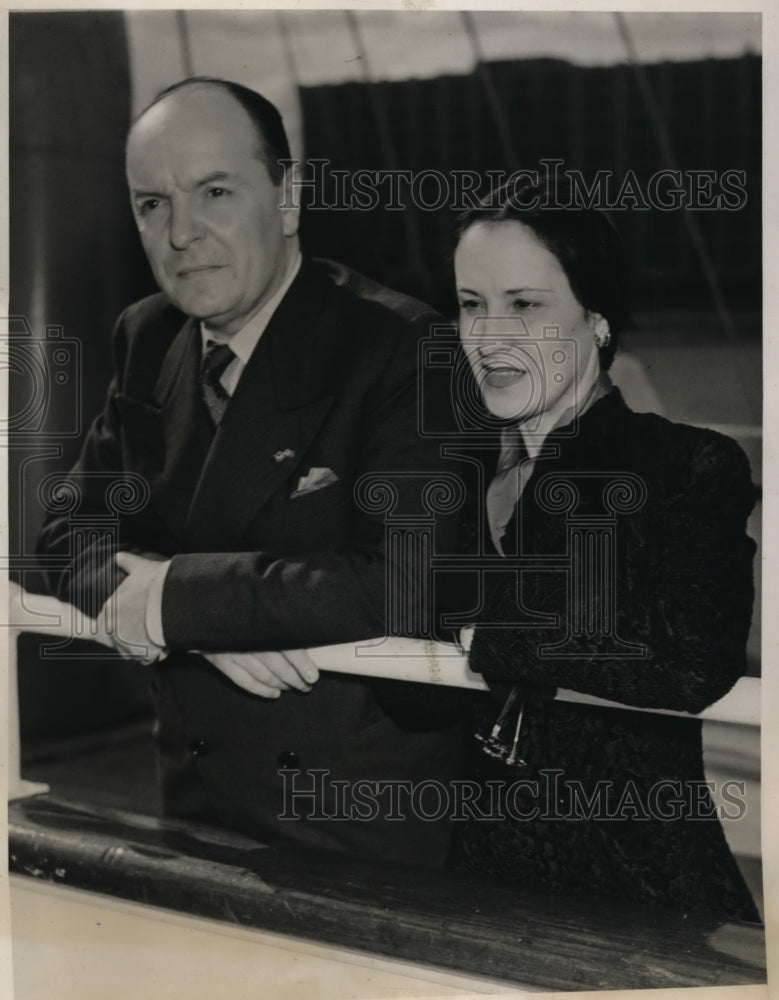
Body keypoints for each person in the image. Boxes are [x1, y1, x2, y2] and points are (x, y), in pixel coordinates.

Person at [36, 77, 466, 866]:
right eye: (152, 204)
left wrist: (175, 598)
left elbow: (406, 578)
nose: (181, 234)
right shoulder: (147, 335)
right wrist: (198, 615)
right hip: (190, 797)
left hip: (351, 824)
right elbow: (65, 529)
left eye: (215, 191)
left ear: (290, 196)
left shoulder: (402, 349)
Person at [448, 175, 760, 920]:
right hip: (468, 883)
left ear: (596, 321)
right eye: (470, 305)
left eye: (524, 305)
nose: (488, 336)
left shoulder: (683, 466)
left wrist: (492, 634)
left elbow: (693, 661)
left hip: (636, 888)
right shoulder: (445, 475)